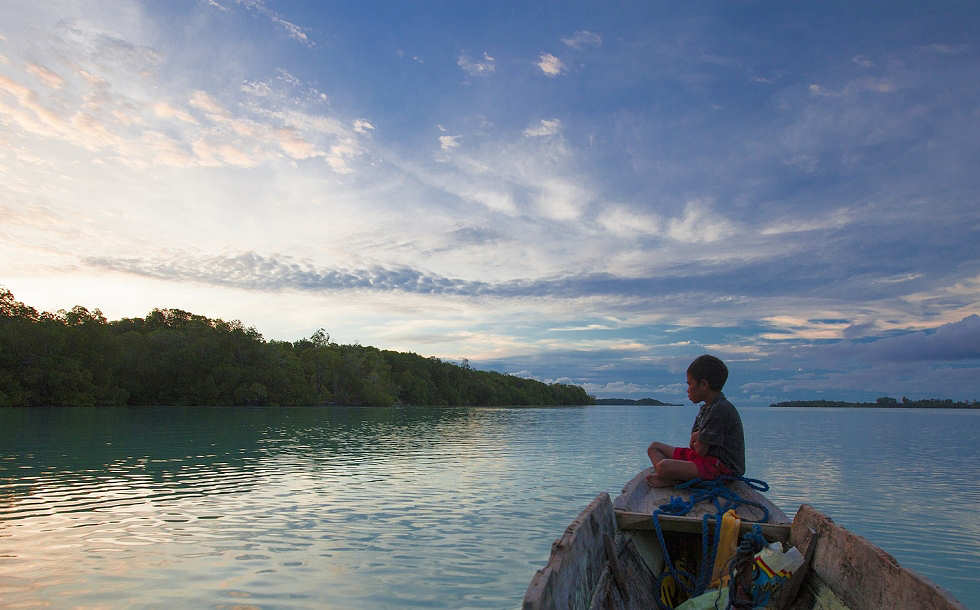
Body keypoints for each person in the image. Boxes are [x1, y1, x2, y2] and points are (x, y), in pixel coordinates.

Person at [646, 354, 745, 487]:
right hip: (704, 460)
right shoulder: (706, 408)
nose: (688, 390)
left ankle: (673, 478)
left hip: (722, 468)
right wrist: (698, 436)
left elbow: (700, 450)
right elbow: (693, 446)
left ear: (703, 385)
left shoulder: (720, 409)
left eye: (690, 384)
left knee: (664, 466)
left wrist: (696, 436)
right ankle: (674, 477)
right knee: (654, 447)